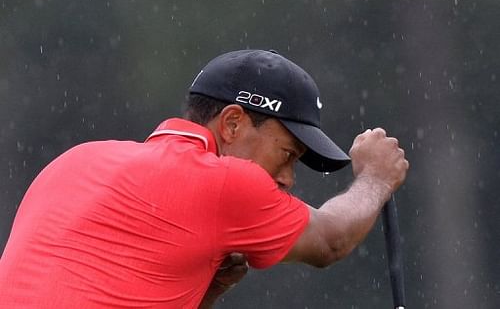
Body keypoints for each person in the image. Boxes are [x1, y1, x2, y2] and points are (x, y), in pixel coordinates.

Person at [0, 49, 409, 308]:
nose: (287, 179)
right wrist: (375, 178)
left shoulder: (77, 159)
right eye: (287, 154)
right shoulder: (223, 183)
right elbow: (330, 239)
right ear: (232, 124)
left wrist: (205, 291)